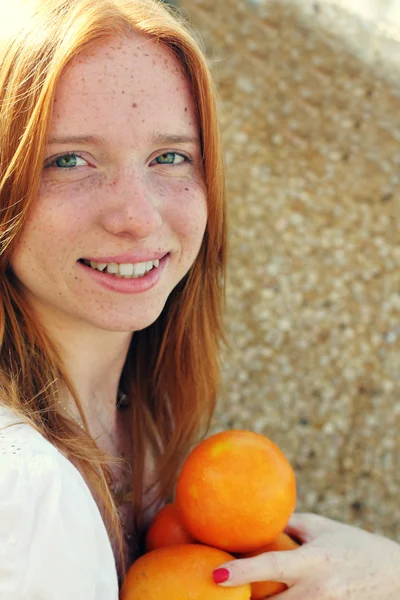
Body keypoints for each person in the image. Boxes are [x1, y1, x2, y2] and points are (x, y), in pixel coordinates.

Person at [0, 1, 398, 599]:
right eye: (69, 160)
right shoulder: (23, 486)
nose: (137, 216)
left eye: (170, 157)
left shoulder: (140, 431)